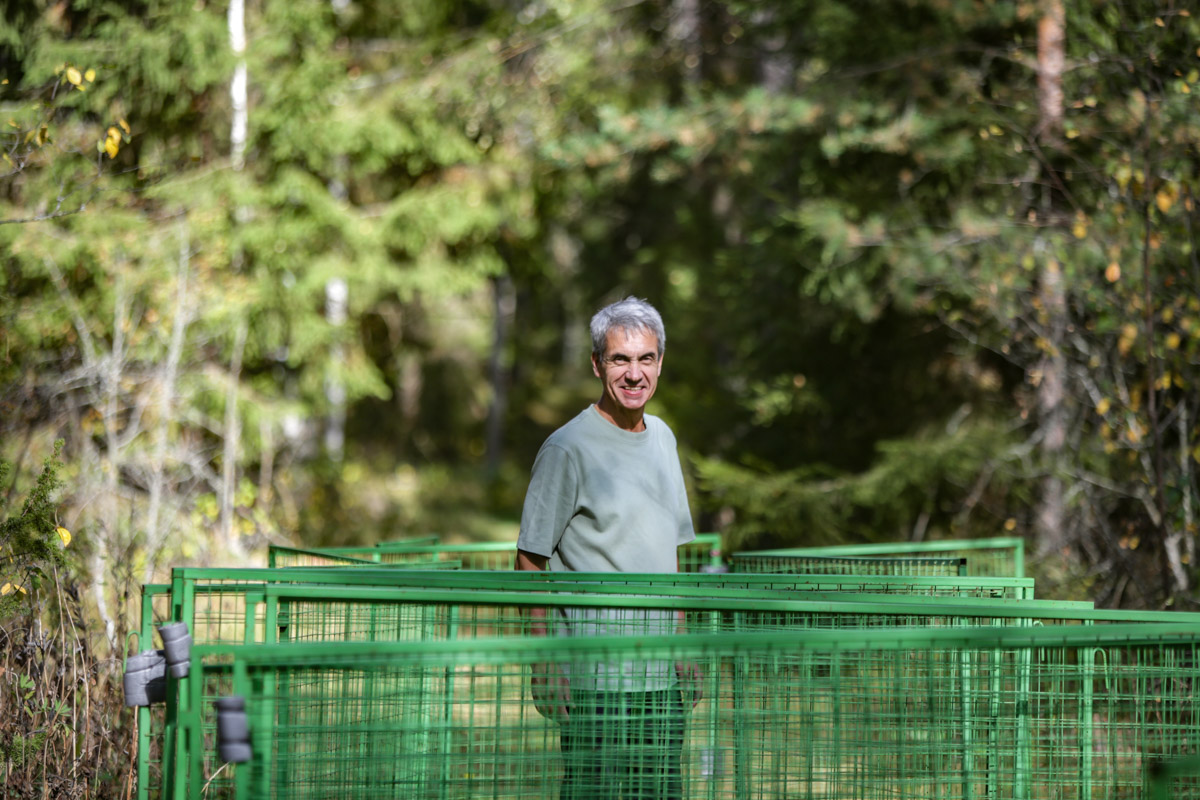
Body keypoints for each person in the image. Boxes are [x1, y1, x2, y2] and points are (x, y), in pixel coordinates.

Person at [516, 296, 698, 800]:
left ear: (661, 362)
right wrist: (544, 662)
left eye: (646, 358)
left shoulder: (663, 438)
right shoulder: (566, 448)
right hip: (594, 681)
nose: (634, 373)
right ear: (597, 364)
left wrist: (682, 645)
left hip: (659, 682)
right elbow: (530, 559)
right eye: (620, 359)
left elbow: (670, 554)